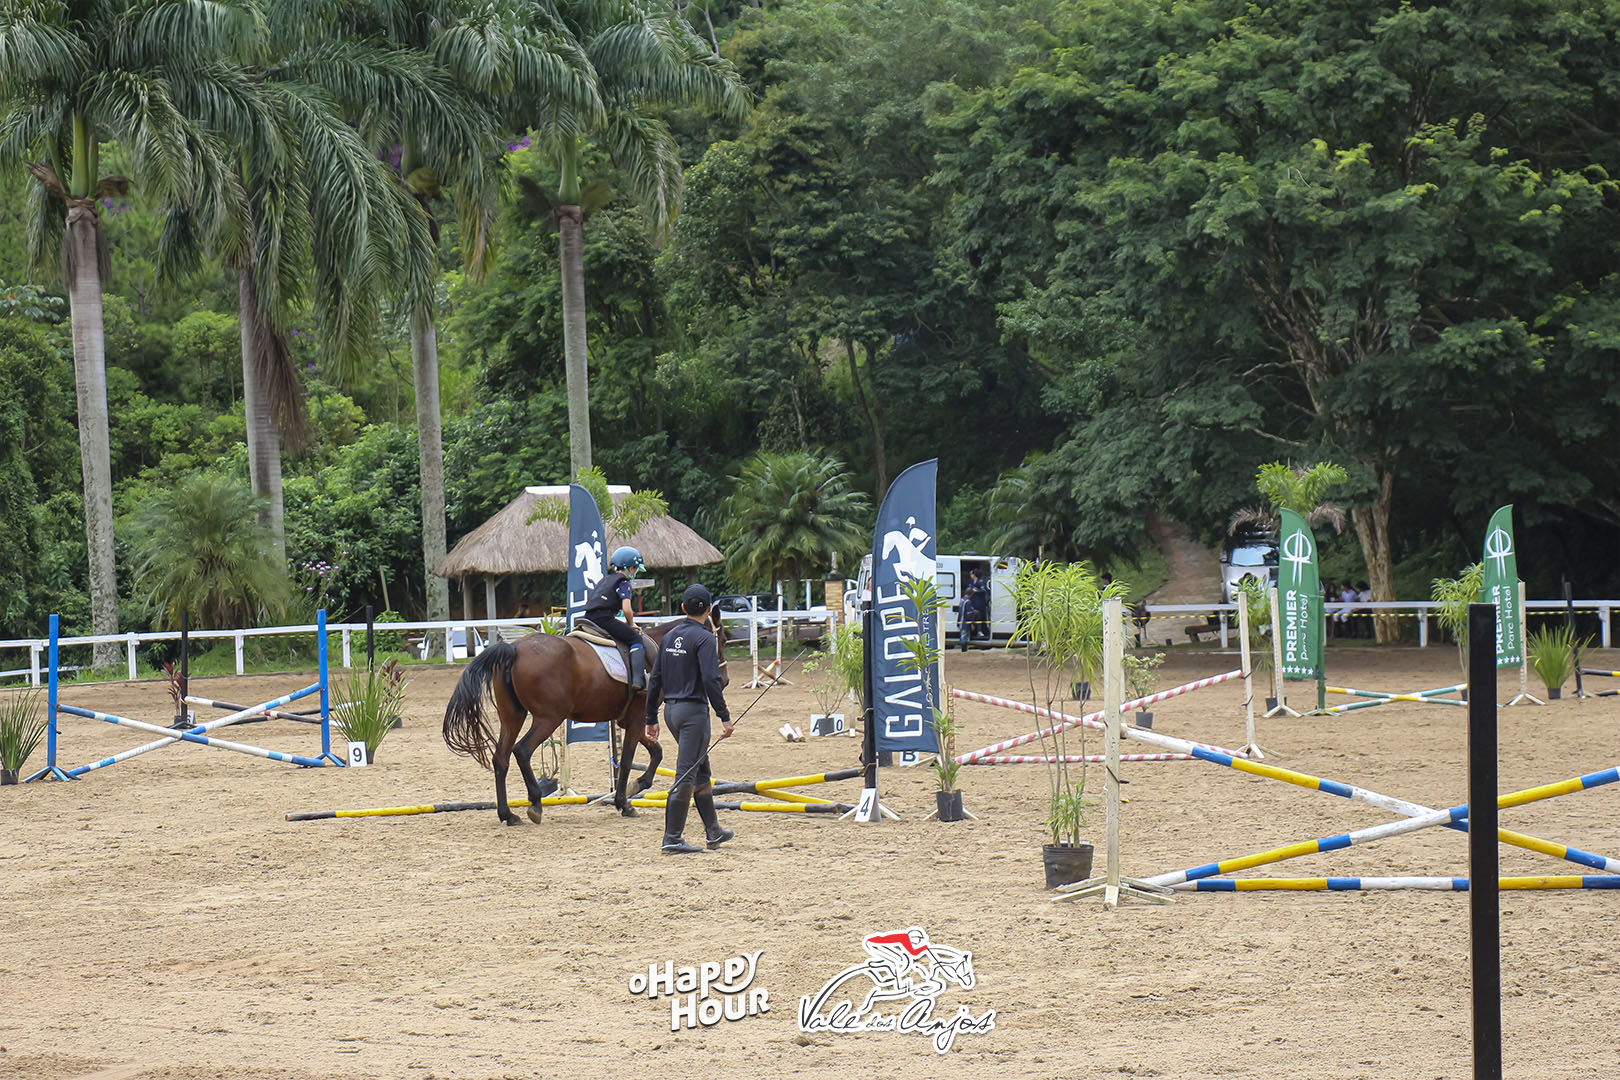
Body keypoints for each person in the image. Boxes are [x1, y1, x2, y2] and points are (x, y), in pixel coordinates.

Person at [644, 584, 735, 855]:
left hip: (671, 712)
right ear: (708, 610)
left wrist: (651, 716)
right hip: (694, 713)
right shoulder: (706, 638)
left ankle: (713, 831)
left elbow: (656, 678)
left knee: (700, 769)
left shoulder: (670, 636)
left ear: (683, 608)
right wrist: (724, 716)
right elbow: (710, 679)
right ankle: (672, 838)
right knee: (686, 773)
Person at [582, 546, 647, 690]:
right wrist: (632, 624)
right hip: (604, 618)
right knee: (635, 639)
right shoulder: (624, 583)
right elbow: (627, 609)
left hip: (588, 617)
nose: (635, 573)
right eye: (635, 569)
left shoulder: (604, 580)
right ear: (630, 568)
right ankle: (638, 679)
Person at [961, 568, 990, 651]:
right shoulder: (970, 583)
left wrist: (976, 590)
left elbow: (984, 590)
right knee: (972, 617)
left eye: (971, 574)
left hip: (979, 603)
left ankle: (980, 631)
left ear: (974, 574)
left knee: (979, 617)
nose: (970, 575)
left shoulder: (980, 582)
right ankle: (973, 632)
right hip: (972, 602)